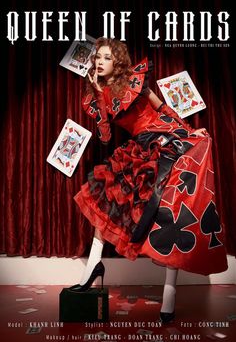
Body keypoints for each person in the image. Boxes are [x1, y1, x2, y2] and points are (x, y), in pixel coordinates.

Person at [71, 37, 228, 324]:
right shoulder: (96, 97)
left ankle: (169, 294)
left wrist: (190, 131)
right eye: (97, 58)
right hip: (141, 145)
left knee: (171, 212)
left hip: (166, 139)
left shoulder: (135, 81)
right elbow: (105, 135)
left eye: (105, 57)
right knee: (106, 201)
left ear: (117, 61)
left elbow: (162, 109)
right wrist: (97, 90)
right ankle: (92, 268)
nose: (99, 62)